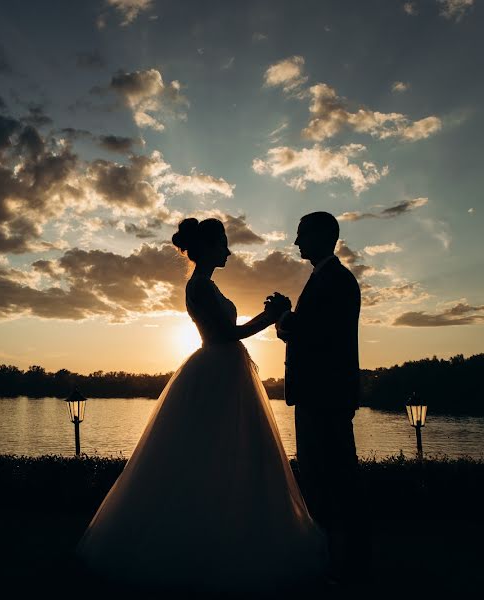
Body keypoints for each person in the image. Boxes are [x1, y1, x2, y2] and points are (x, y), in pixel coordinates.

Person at [75, 217, 326, 594]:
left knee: (227, 453)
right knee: (206, 455)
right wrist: (270, 317)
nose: (228, 250)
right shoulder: (200, 287)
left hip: (224, 372)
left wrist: (268, 316)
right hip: (217, 372)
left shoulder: (207, 285)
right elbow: (229, 334)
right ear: (208, 248)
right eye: (223, 243)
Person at [275, 211, 365, 582]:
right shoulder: (327, 279)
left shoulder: (336, 280)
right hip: (322, 394)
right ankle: (333, 555)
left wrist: (283, 317)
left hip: (324, 395)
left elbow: (314, 336)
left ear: (323, 235)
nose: (296, 242)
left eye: (301, 235)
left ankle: (343, 562)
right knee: (323, 476)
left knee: (331, 477)